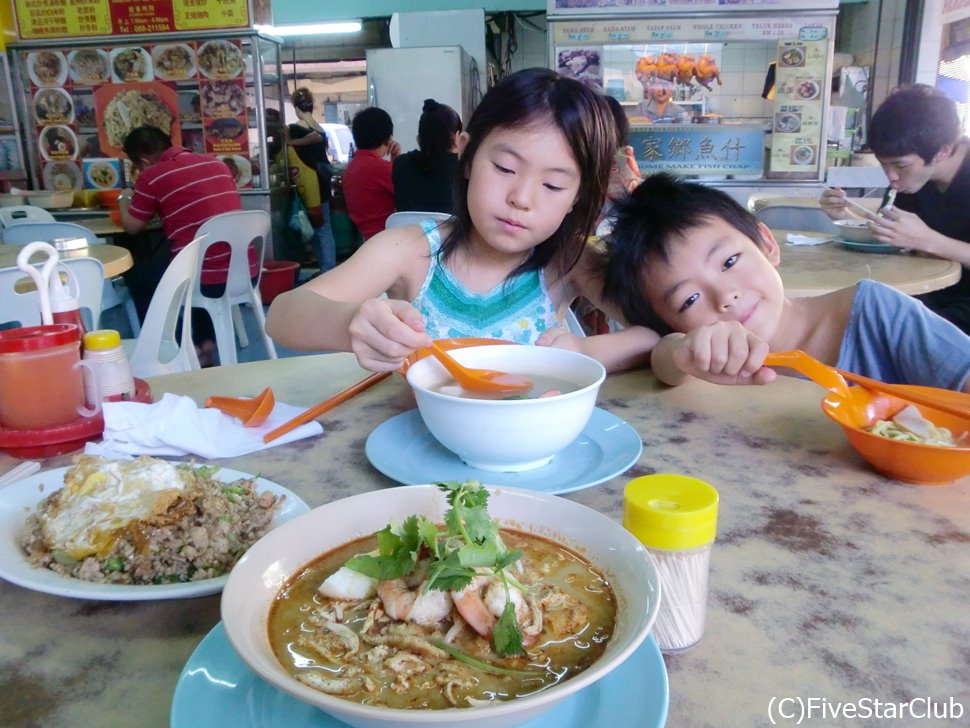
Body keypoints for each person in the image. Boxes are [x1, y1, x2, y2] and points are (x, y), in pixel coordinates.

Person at [265, 67, 659, 374]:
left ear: (577, 197)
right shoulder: (409, 250)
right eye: (505, 168)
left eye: (554, 185)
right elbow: (283, 315)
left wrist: (586, 351)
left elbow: (662, 332)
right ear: (467, 156)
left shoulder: (570, 261)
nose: (521, 198)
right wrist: (350, 322)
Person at [601, 173, 970, 392]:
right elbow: (667, 358)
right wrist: (683, 351)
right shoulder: (710, 365)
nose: (725, 296)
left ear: (766, 243)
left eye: (729, 261)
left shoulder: (879, 314)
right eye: (689, 300)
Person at [821, 84, 970, 334]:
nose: (891, 177)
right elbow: (891, 236)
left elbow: (921, 240)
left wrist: (929, 240)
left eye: (900, 166)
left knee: (883, 332)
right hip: (924, 294)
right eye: (883, 164)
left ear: (942, 151)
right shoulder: (913, 181)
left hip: (961, 307)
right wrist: (845, 216)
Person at [119, 125, 256, 365]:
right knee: (192, 258)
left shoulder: (152, 176)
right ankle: (204, 341)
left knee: (140, 277)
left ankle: (166, 350)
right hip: (245, 272)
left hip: (207, 278)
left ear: (143, 161)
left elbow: (132, 226)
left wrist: (124, 198)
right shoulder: (217, 164)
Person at [284, 87, 336, 272]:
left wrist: (291, 142)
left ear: (296, 108)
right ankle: (327, 268)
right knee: (323, 225)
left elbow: (310, 140)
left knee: (319, 228)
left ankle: (328, 270)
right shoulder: (318, 126)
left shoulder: (297, 127)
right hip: (323, 178)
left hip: (311, 181)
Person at [392, 99, 462, 214]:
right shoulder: (463, 171)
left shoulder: (400, 164)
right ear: (457, 137)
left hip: (408, 231)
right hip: (451, 232)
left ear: (419, 139)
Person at [341, 106, 401, 240]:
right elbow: (410, 195)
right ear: (388, 137)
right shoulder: (381, 169)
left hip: (368, 239)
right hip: (389, 239)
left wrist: (395, 162)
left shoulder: (352, 168)